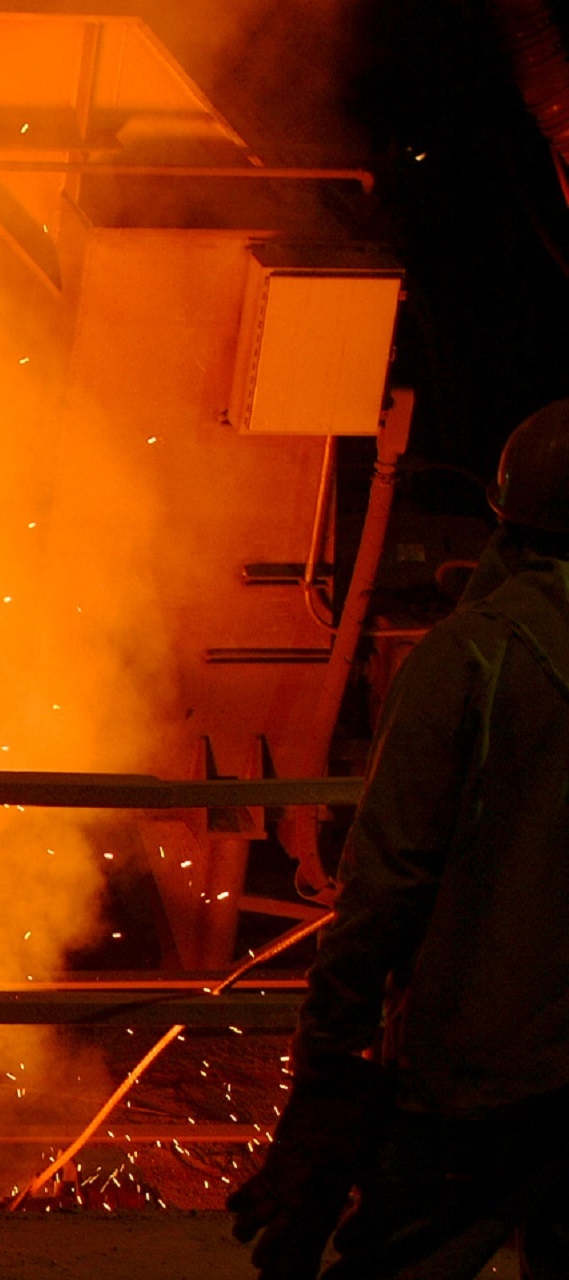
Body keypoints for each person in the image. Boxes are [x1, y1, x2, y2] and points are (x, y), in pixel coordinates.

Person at [229, 397, 569, 1279]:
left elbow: (383, 890)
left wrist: (327, 1078)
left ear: (506, 513)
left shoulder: (473, 658)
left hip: (482, 1083)